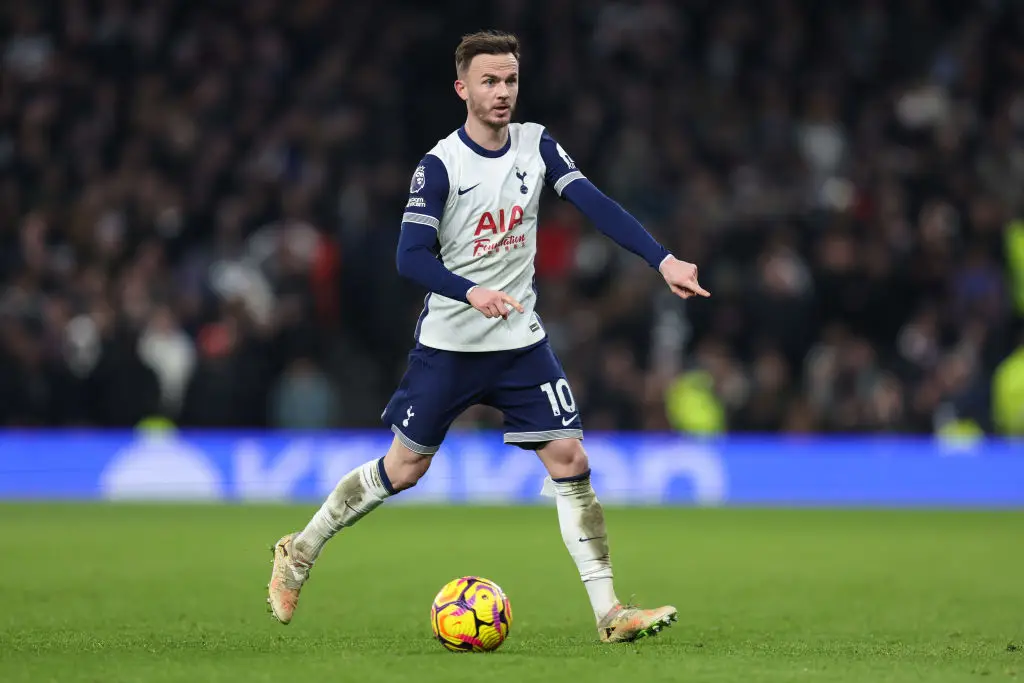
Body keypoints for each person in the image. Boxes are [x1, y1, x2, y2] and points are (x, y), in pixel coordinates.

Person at [267, 30, 710, 643]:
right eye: (489, 82)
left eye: (510, 81)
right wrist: (469, 290)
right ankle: (300, 551)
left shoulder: (537, 145)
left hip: (520, 340)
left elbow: (595, 203)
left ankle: (609, 613)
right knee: (405, 467)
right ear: (462, 89)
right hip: (451, 342)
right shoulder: (440, 166)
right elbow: (409, 257)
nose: (502, 93)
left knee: (571, 459)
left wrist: (661, 260)